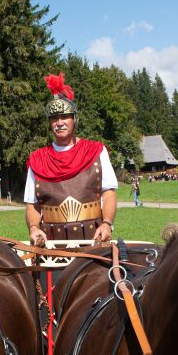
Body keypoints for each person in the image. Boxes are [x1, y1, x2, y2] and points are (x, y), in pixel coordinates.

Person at [25, 73, 118, 245]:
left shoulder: (96, 151)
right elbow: (33, 204)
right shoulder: (38, 160)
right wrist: (33, 228)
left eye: (65, 116)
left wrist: (106, 224)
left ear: (75, 120)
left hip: (94, 239)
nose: (59, 123)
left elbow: (108, 193)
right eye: (54, 118)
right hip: (51, 244)